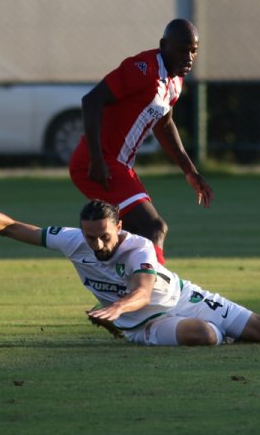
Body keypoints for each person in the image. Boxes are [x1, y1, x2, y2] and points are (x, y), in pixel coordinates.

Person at [0, 183, 260, 346]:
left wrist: (116, 308)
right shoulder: (74, 240)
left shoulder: (138, 247)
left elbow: (142, 290)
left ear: (119, 226)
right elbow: (13, 229)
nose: (97, 244)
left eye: (104, 235)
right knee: (205, 336)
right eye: (90, 237)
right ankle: (215, 336)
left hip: (182, 297)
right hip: (145, 325)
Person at [69, 18, 213, 266]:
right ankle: (155, 288)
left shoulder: (175, 81)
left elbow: (164, 124)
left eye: (193, 51)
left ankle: (121, 286)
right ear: (163, 46)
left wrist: (190, 171)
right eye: (182, 50)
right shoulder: (142, 69)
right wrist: (97, 159)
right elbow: (91, 101)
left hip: (118, 165)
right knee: (154, 227)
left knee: (131, 239)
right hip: (99, 163)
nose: (188, 58)